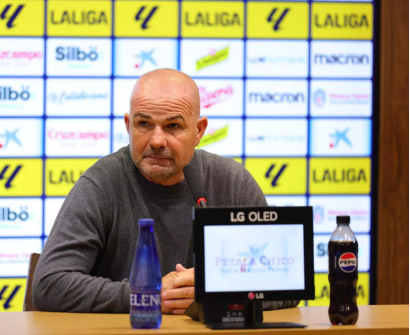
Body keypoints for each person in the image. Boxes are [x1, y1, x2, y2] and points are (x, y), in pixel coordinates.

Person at [33, 69, 299, 314]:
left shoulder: (232, 182)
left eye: (173, 126)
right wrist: (147, 295)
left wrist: (215, 290)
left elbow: (288, 287)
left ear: (198, 131)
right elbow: (49, 285)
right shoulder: (101, 184)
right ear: (128, 125)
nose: (157, 141)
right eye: (144, 124)